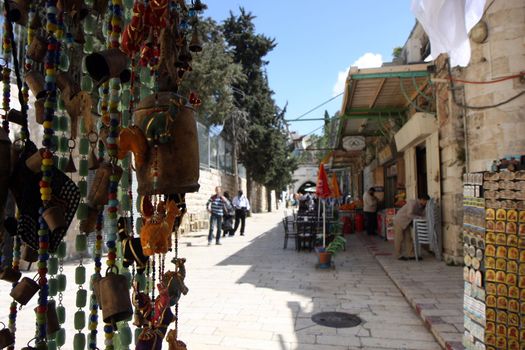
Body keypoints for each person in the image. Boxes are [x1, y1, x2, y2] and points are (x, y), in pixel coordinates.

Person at [393, 194, 430, 260]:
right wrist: (419, 217)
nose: (426, 203)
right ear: (422, 199)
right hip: (399, 220)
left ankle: (411, 255)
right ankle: (398, 255)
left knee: (408, 238)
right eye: (426, 201)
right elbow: (409, 214)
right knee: (399, 239)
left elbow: (422, 214)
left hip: (407, 223)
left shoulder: (421, 206)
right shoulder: (412, 203)